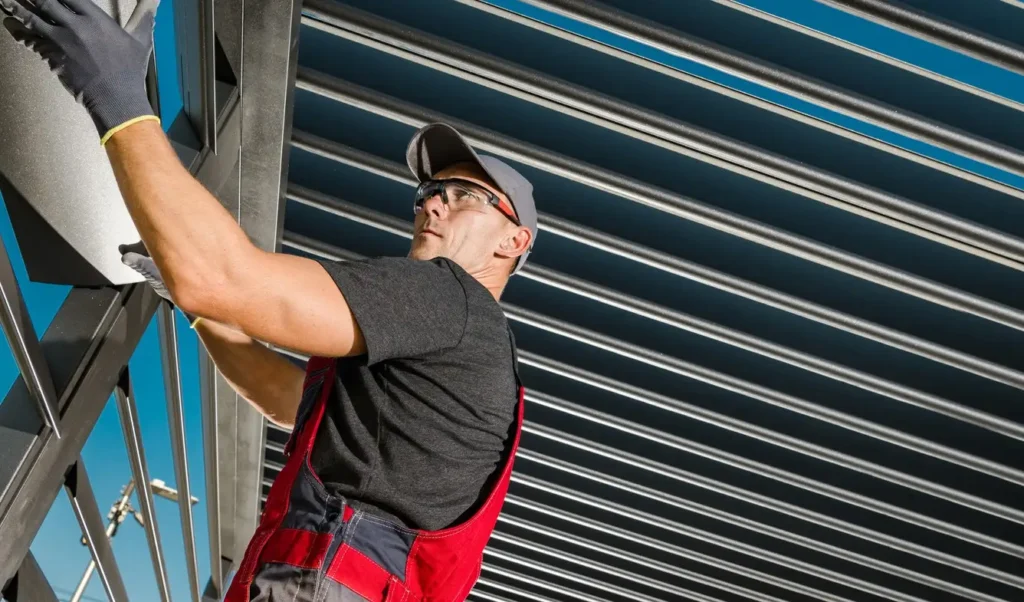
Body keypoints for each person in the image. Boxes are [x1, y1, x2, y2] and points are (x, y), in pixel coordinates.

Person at [0, 0, 538, 600]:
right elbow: (290, 401)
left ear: (514, 241)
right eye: (429, 192)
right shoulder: (460, 367)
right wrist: (200, 307)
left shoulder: (450, 299)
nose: (432, 203)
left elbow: (227, 278)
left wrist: (115, 93)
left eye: (463, 195)